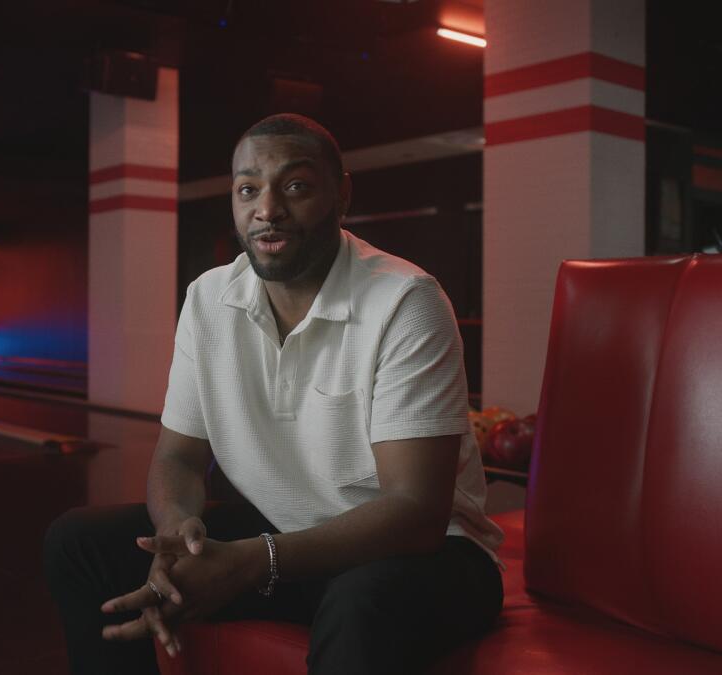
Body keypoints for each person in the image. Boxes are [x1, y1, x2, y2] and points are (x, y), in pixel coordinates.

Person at [44, 113, 504, 675]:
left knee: (360, 602)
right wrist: (175, 540)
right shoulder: (209, 299)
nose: (267, 210)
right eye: (247, 190)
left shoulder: (405, 302)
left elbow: (416, 513)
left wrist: (252, 562)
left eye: (295, 187)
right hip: (287, 544)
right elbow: (178, 458)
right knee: (79, 544)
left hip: (426, 558)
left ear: (342, 194)